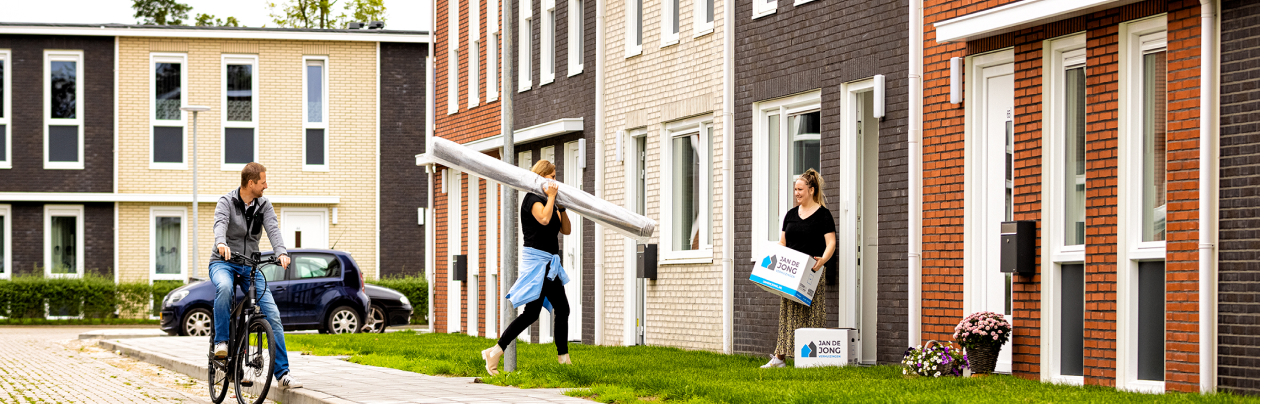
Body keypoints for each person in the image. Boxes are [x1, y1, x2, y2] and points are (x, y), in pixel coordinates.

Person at [209, 162, 301, 389]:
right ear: (251, 183)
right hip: (223, 262)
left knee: (273, 315)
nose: (266, 186)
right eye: (263, 182)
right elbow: (220, 225)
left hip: (249, 266)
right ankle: (221, 343)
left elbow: (273, 229)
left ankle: (283, 375)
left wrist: (281, 252)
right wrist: (221, 243)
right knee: (224, 288)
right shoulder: (226, 202)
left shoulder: (264, 205)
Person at [480, 160, 574, 376]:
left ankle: (496, 352)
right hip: (538, 264)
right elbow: (544, 219)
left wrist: (561, 206)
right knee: (547, 311)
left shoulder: (551, 202)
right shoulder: (532, 199)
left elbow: (566, 229)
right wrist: (552, 197)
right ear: (541, 176)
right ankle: (561, 359)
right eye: (552, 176)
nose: (555, 180)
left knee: (543, 312)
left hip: (550, 263)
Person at [761, 168, 837, 368]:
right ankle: (780, 358)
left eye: (800, 189)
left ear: (811, 190)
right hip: (790, 273)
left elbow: (831, 243)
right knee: (788, 315)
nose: (796, 193)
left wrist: (823, 260)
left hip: (813, 272)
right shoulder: (790, 215)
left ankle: (812, 359)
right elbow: (783, 242)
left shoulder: (823, 215)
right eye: (795, 189)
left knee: (812, 314)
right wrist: (771, 251)